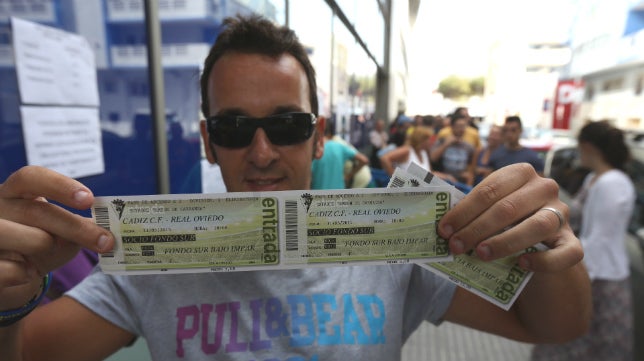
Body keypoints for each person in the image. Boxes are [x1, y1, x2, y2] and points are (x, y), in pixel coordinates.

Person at [0, 15, 590, 361]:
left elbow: (555, 327)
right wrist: (9, 293)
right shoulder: (155, 256)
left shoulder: (401, 237)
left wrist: (552, 250)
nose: (261, 153)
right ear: (208, 143)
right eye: (234, 128)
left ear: (318, 136)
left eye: (285, 125)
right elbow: (25, 349)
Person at [531, 120, 635, 361]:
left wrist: (572, 270)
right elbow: (574, 216)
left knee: (588, 341)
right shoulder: (595, 179)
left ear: (588, 146)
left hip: (602, 274)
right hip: (595, 269)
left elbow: (600, 237)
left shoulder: (613, 183)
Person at [311, 120, 369, 189]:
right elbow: (364, 160)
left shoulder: (313, 151)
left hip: (319, 195)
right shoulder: (339, 146)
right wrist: (348, 176)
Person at [430, 114, 476, 186]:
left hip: (460, 182)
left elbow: (471, 169)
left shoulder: (468, 146)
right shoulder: (442, 141)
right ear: (452, 127)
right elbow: (433, 158)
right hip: (442, 181)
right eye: (459, 126)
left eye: (464, 126)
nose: (462, 129)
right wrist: (446, 144)